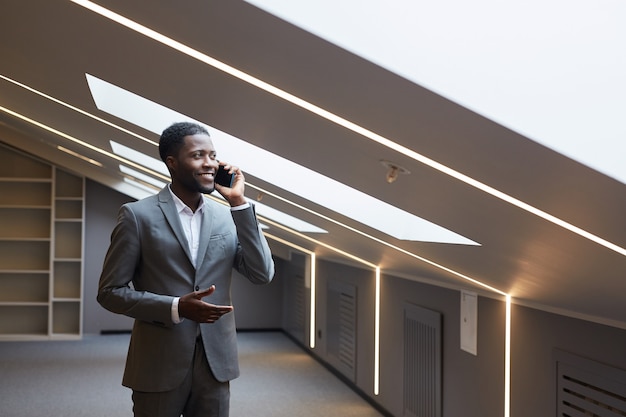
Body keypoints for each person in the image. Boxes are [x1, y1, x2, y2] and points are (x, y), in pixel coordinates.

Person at [97, 121, 275, 417]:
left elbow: (262, 273)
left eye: (213, 155)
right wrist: (176, 307)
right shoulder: (137, 216)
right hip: (158, 361)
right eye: (198, 155)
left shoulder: (228, 216)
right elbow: (109, 292)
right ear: (173, 163)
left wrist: (240, 204)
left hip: (215, 362)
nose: (209, 163)